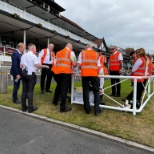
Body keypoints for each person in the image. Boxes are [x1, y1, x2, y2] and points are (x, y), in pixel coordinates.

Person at [20, 43, 49, 113]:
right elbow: (37, 65)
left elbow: (20, 66)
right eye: (35, 48)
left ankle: (23, 107)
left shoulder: (23, 55)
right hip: (31, 74)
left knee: (24, 91)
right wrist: (44, 66)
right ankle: (30, 108)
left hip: (24, 73)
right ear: (32, 49)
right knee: (30, 91)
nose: (36, 50)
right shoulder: (33, 56)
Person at [78, 44, 103, 116]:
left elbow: (79, 65)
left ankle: (87, 109)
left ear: (86, 48)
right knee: (96, 91)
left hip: (85, 74)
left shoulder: (82, 53)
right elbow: (98, 65)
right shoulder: (96, 54)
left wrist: (82, 68)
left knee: (85, 91)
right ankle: (97, 109)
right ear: (91, 48)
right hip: (94, 74)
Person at [52, 43, 77, 112]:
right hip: (66, 72)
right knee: (64, 89)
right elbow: (74, 64)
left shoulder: (58, 53)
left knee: (58, 86)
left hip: (58, 72)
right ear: (70, 47)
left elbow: (55, 62)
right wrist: (75, 64)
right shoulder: (71, 52)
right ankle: (62, 107)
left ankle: (55, 101)